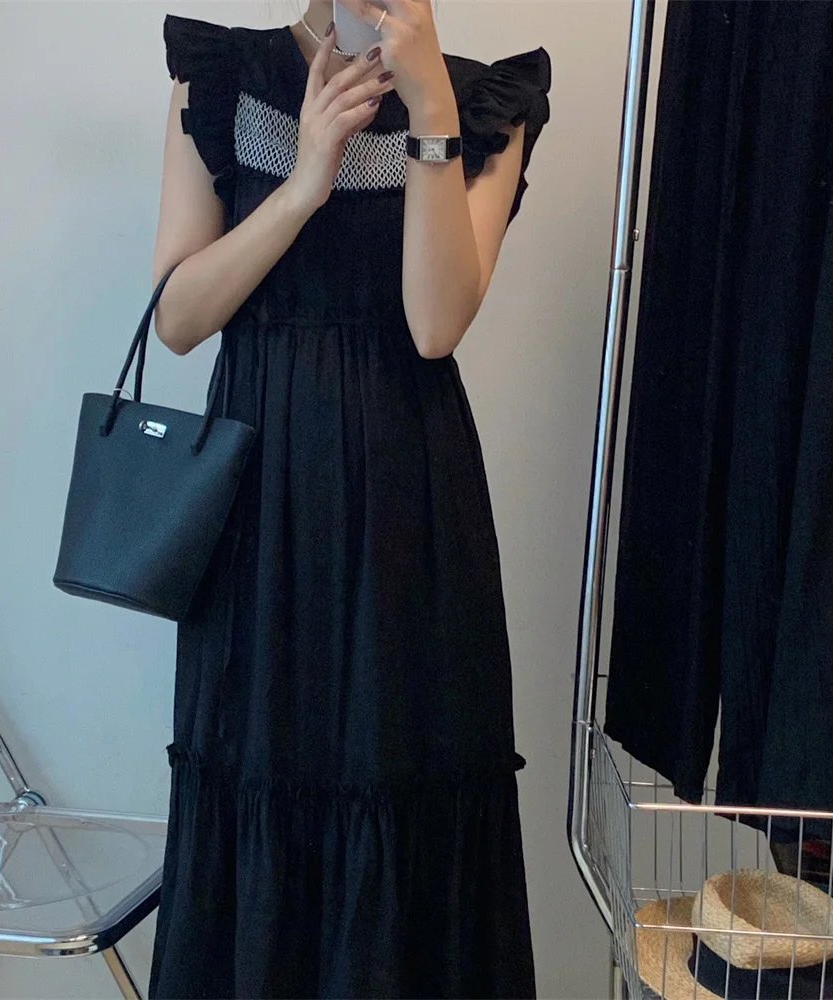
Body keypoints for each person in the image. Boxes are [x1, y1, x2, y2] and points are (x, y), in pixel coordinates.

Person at [147, 1, 550, 996]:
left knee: (402, 768)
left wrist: (429, 106)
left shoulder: (487, 101)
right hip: (257, 508)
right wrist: (303, 184)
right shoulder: (221, 76)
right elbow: (179, 318)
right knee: (255, 765)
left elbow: (434, 324)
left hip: (409, 508)